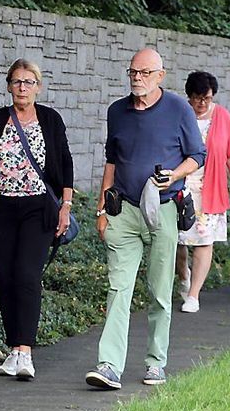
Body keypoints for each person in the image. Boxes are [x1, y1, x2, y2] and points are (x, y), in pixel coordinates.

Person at [85, 48, 204, 390]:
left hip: (164, 208)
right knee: (118, 288)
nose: (137, 78)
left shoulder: (179, 109)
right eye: (133, 72)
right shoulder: (117, 111)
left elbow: (198, 155)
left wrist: (175, 174)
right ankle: (108, 365)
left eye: (144, 73)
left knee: (159, 290)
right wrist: (101, 209)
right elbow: (111, 161)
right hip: (122, 210)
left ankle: (156, 362)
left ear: (160, 76)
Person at [0, 59, 74, 379]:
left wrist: (66, 205)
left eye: (29, 82)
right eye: (17, 82)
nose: (23, 87)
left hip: (39, 207)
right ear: (8, 86)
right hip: (1, 207)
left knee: (26, 273)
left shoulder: (50, 119)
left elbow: (64, 162)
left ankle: (25, 351)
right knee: (5, 277)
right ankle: (13, 349)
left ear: (38, 86)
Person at [175, 71, 230, 313]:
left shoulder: (222, 116)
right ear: (189, 96)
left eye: (206, 98)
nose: (202, 103)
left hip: (210, 187)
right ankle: (183, 275)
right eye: (197, 98)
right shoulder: (179, 113)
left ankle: (193, 295)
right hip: (180, 186)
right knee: (177, 242)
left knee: (204, 240)